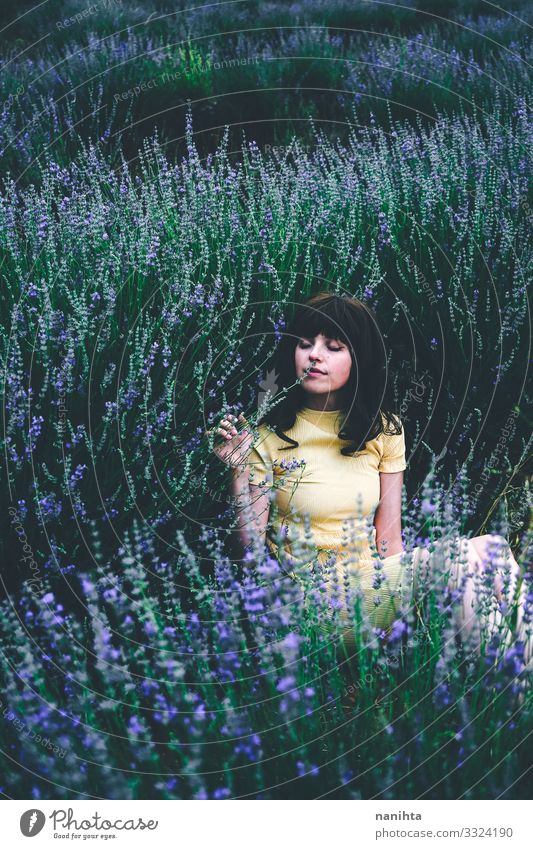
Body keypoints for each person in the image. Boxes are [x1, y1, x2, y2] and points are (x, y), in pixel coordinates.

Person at [210, 292, 531, 674]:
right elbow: (249, 554)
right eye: (305, 344)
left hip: (372, 585)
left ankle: (518, 688)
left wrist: (400, 607)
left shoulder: (384, 430)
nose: (314, 355)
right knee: (461, 561)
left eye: (333, 347)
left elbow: (389, 540)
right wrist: (238, 471)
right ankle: (513, 697)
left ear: (357, 359)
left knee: (491, 550)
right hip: (311, 601)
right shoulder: (267, 437)